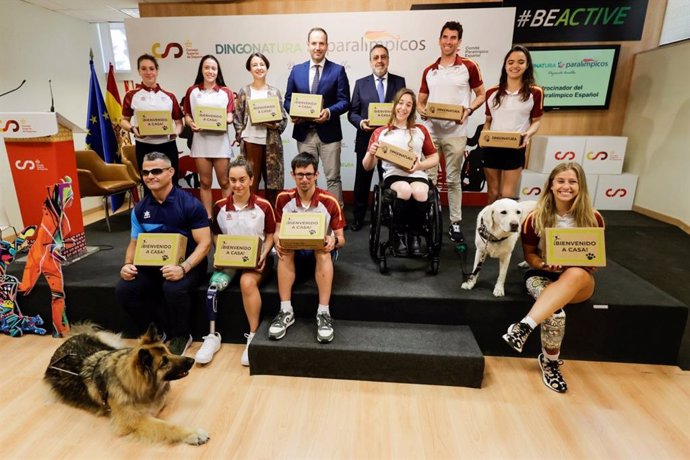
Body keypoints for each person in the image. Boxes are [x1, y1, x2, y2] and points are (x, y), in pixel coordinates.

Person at [502, 162, 604, 393]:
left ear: (581, 186)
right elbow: (530, 256)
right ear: (550, 185)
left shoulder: (593, 218)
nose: (566, 186)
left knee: (576, 273)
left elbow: (594, 260)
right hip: (542, 275)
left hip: (578, 280)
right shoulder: (535, 218)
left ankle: (523, 327)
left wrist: (589, 260)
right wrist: (544, 263)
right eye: (560, 181)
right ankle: (550, 363)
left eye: (572, 181)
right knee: (554, 313)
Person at [116, 152, 211, 356]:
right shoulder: (140, 209)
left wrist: (182, 268)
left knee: (173, 287)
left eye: (156, 171)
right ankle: (155, 332)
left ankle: (181, 335)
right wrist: (127, 264)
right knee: (125, 289)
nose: (150, 176)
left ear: (170, 172)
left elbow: (204, 244)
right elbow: (134, 242)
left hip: (188, 264)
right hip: (151, 263)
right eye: (146, 172)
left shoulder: (190, 205)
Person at [196, 157, 276, 366]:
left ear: (251, 180)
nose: (237, 185)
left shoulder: (264, 206)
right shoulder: (220, 206)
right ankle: (212, 337)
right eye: (233, 180)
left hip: (257, 261)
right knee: (213, 287)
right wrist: (219, 253)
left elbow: (270, 236)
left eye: (242, 180)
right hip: (230, 260)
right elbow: (216, 234)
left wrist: (264, 254)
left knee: (246, 283)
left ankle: (252, 336)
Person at [418, 21, 486, 245]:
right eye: (445, 37)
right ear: (440, 40)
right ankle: (428, 217)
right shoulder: (430, 70)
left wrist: (468, 110)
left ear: (459, 42)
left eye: (453, 38)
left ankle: (455, 222)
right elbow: (420, 101)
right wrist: (423, 112)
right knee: (429, 178)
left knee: (454, 179)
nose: (448, 42)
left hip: (456, 132)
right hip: (431, 133)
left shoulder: (469, 66)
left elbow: (481, 94)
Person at [270, 152, 346, 343]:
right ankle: (285, 310)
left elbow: (341, 238)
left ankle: (323, 313)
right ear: (292, 175)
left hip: (320, 252)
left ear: (316, 175)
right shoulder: (282, 198)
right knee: (284, 248)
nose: (304, 179)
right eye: (300, 175)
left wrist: (333, 241)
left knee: (322, 249)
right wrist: (277, 240)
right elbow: (277, 231)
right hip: (295, 251)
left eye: (309, 175)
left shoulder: (329, 200)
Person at [363, 89, 439, 256]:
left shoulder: (420, 130)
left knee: (419, 191)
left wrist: (419, 166)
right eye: (401, 103)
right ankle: (398, 236)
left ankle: (414, 236)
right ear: (394, 105)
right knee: (404, 189)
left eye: (409, 105)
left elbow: (434, 158)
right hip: (393, 175)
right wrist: (371, 152)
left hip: (417, 174)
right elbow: (367, 166)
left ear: (412, 109)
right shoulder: (381, 132)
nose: (403, 108)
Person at [284, 27, 350, 208]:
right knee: (306, 178)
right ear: (308, 45)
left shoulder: (338, 70)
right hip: (305, 134)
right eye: (314, 43)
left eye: (321, 43)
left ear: (327, 45)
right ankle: (310, 216)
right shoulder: (297, 70)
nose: (318, 47)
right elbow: (288, 100)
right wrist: (294, 112)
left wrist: (328, 112)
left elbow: (345, 101)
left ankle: (336, 219)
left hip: (329, 133)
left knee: (333, 178)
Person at [347, 44, 407, 231]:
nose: (380, 60)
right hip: (367, 139)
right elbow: (352, 112)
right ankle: (358, 216)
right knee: (362, 180)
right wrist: (361, 123)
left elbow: (405, 109)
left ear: (388, 59)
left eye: (383, 57)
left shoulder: (399, 82)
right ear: (370, 61)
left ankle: (387, 215)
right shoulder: (360, 83)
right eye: (376, 57)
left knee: (388, 179)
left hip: (392, 140)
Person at [482, 45, 543, 204]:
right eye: (511, 62)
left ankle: (505, 228)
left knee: (507, 195)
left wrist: (528, 134)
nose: (515, 66)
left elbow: (536, 122)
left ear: (527, 65)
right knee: (493, 193)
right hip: (492, 148)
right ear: (505, 65)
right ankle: (490, 227)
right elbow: (488, 121)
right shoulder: (491, 93)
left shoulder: (535, 92)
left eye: (520, 62)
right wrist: (484, 136)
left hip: (515, 148)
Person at [233, 52, 289, 207]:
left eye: (262, 64)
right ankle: (251, 214)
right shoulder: (244, 91)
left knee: (273, 183)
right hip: (250, 142)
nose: (259, 67)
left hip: (271, 143)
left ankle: (272, 217)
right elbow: (237, 118)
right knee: (251, 181)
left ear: (267, 67)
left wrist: (275, 125)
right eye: (255, 65)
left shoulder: (274, 92)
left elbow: (283, 118)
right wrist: (241, 135)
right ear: (249, 69)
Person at [183, 54, 235, 219]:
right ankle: (208, 217)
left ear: (218, 71)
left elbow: (230, 115)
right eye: (207, 67)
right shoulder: (192, 91)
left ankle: (226, 214)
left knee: (225, 182)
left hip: (220, 143)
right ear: (201, 70)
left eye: (213, 68)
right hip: (201, 143)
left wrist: (226, 119)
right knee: (205, 183)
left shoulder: (226, 92)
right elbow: (187, 115)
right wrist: (191, 124)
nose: (210, 71)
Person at [121, 54, 183, 174]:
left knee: (171, 181)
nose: (148, 72)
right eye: (143, 69)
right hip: (144, 146)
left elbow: (179, 123)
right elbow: (123, 120)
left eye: (151, 68)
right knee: (148, 182)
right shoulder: (131, 95)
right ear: (139, 71)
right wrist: (133, 129)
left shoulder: (169, 96)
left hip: (167, 145)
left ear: (157, 71)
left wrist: (175, 133)